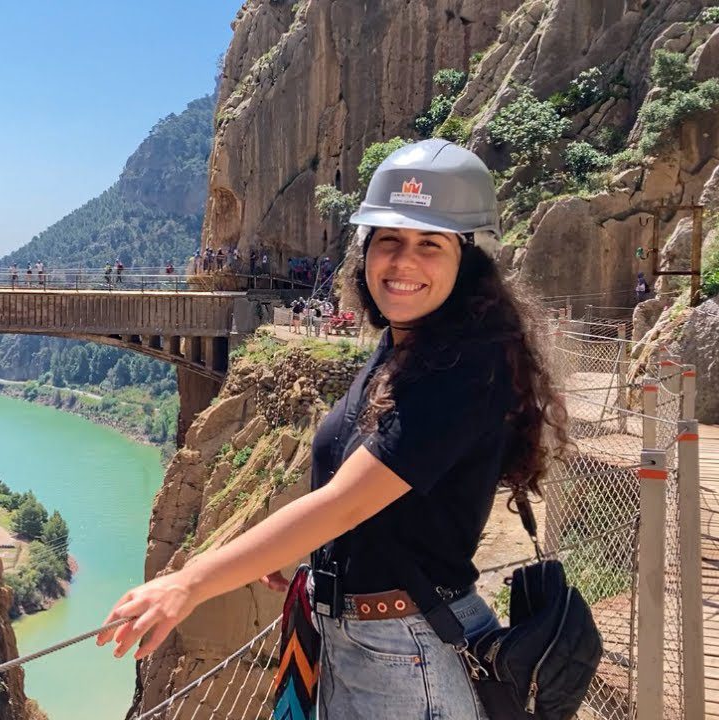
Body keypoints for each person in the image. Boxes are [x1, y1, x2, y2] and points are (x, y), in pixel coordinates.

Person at [96, 139, 569, 718]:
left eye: (430, 244)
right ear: (366, 250)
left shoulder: (463, 371)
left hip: (407, 652)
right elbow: (357, 488)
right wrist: (301, 546)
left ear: (467, 261)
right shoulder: (404, 346)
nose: (403, 261)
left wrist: (189, 582)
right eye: (389, 240)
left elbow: (345, 504)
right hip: (361, 641)